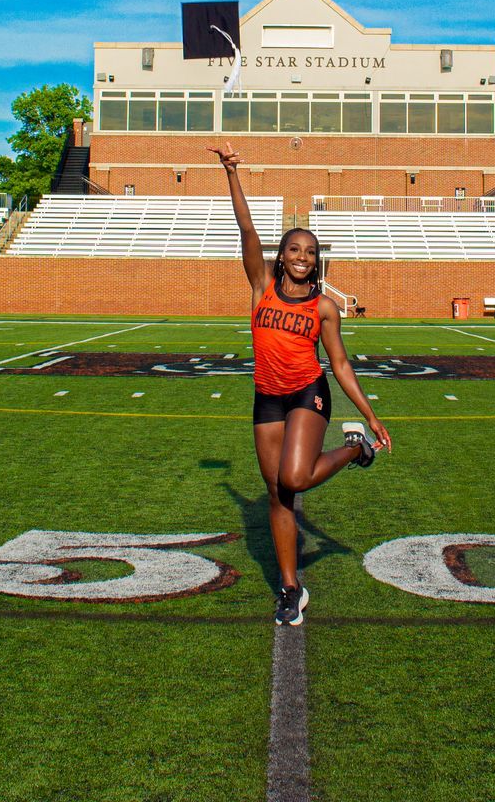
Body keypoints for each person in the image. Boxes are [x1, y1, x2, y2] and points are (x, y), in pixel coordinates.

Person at [210, 142, 390, 626]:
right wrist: (231, 173)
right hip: (266, 396)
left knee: (294, 477)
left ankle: (355, 449)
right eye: (294, 249)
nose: (303, 258)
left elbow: (341, 365)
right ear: (282, 255)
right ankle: (291, 588)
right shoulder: (260, 288)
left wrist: (370, 416)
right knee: (277, 494)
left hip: (307, 394)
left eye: (310, 252)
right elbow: (246, 228)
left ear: (316, 261)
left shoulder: (324, 308)